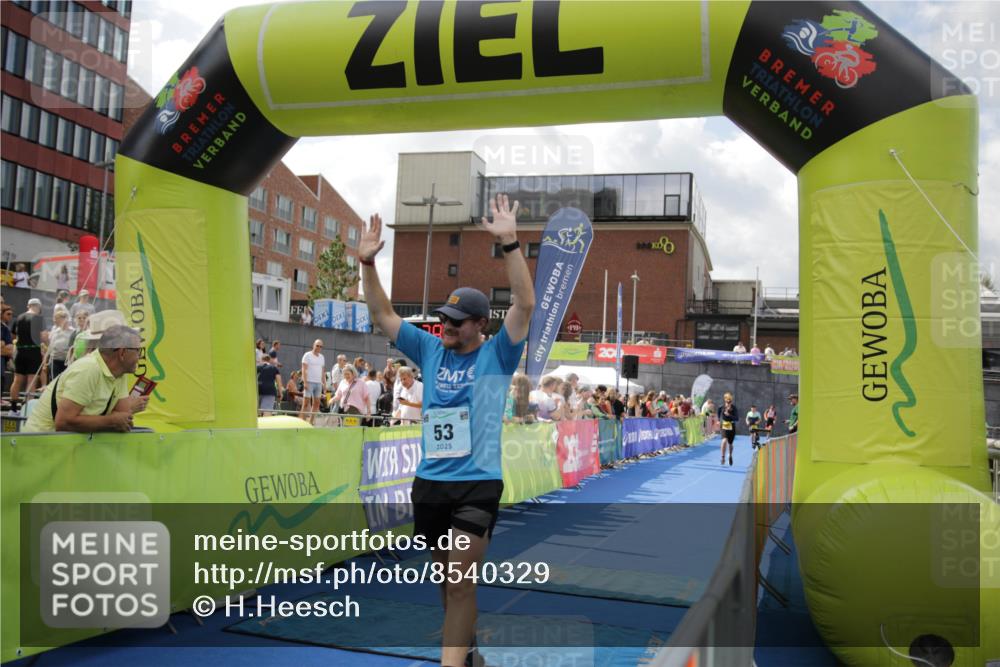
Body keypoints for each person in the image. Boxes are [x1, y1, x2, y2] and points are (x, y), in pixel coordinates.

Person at [359, 193, 534, 667]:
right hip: (431, 484)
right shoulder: (430, 350)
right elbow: (383, 315)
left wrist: (511, 245)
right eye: (443, 318)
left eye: (457, 321)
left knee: (459, 582)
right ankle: (470, 652)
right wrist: (367, 264)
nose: (446, 326)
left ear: (481, 324)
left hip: (477, 484)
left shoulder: (497, 355)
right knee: (448, 583)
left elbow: (525, 301)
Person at [23, 325, 148, 433]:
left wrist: (115, 419)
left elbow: (123, 415)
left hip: (63, 448)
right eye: (138, 351)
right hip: (40, 447)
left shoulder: (119, 373)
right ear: (122, 353)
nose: (140, 357)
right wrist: (110, 421)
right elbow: (64, 422)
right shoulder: (88, 369)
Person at [9, 298, 45, 411]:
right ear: (38, 307)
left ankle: (13, 407)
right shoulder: (39, 318)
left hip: (20, 352)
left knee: (17, 379)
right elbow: (44, 337)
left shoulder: (18, 318)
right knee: (31, 380)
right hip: (34, 351)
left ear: (28, 306)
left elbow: (13, 336)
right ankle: (27, 408)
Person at [299, 339, 326, 424]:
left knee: (317, 403)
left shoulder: (322, 357)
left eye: (320, 346)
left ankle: (311, 422)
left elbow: (322, 371)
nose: (318, 347)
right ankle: (302, 422)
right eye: (317, 345)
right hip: (309, 382)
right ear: (313, 345)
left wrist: (324, 383)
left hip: (318, 383)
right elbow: (303, 369)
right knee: (306, 403)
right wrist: (305, 382)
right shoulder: (307, 355)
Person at [47, 308, 74, 380]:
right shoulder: (54, 331)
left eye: (56, 318)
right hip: (55, 360)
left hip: (67, 361)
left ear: (64, 319)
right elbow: (50, 347)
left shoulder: (72, 332)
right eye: (54, 318)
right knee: (54, 381)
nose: (54, 320)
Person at [257, 351, 283, 416]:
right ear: (269, 360)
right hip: (270, 391)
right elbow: (279, 381)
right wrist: (280, 393)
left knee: (256, 412)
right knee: (267, 411)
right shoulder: (274, 368)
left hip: (257, 391)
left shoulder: (256, 368)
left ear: (261, 360)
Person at [718, 392, 738, 466]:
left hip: (731, 426)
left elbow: (737, 418)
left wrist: (729, 415)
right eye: (727, 400)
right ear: (725, 400)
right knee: (724, 440)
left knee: (730, 443)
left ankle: (730, 455)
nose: (728, 402)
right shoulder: (721, 407)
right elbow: (718, 413)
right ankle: (723, 457)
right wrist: (718, 421)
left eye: (730, 401)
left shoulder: (734, 408)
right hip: (724, 425)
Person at [1, 304, 13, 396]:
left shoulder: (5, 328)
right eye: (8, 314)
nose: (10, 316)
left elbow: (9, 349)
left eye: (11, 314)